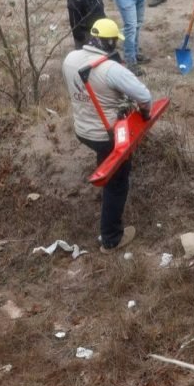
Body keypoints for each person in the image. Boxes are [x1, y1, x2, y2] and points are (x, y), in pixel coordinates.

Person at [62, 18, 153, 253]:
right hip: (107, 135)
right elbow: (144, 96)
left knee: (104, 159)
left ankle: (104, 178)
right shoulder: (111, 69)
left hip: (82, 130)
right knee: (117, 183)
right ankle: (111, 238)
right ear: (110, 42)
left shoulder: (70, 59)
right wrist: (144, 113)